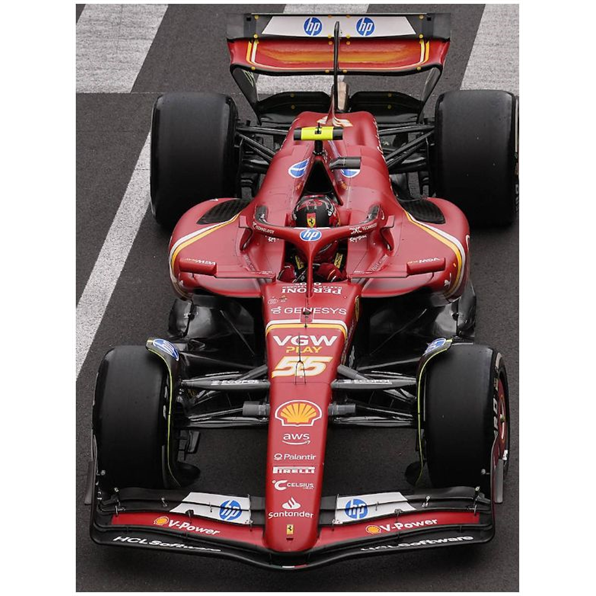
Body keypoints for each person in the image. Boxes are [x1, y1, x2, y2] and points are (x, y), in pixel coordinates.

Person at [280, 195, 346, 283]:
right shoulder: (289, 259)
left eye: (321, 243)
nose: (312, 246)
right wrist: (284, 280)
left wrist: (340, 279)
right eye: (305, 240)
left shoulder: (346, 256)